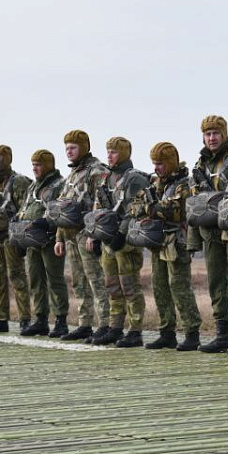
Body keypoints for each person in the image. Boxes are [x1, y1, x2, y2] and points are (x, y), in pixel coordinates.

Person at [190, 116, 228, 353]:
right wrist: (194, 239)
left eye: (216, 133)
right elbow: (195, 203)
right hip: (210, 230)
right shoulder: (200, 165)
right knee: (216, 282)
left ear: (224, 134)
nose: (211, 138)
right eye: (207, 134)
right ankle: (223, 334)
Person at [135, 142, 202, 351]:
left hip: (177, 242)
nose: (156, 168)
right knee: (160, 287)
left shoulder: (184, 184)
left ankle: (192, 333)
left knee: (179, 287)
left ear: (170, 163)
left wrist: (151, 208)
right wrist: (152, 208)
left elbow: (176, 210)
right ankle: (167, 332)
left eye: (160, 164)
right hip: (158, 243)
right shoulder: (155, 184)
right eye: (154, 163)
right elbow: (135, 206)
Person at [89, 137, 148, 347]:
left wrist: (121, 235)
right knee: (112, 287)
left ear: (123, 153)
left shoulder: (135, 179)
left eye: (114, 152)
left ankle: (135, 330)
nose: (109, 155)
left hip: (126, 242)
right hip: (108, 241)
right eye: (108, 151)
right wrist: (96, 235)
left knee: (130, 287)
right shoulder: (106, 179)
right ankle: (115, 327)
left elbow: (135, 209)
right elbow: (99, 207)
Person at [53, 130, 109, 340]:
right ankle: (84, 323)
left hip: (87, 235)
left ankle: (105, 324)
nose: (69, 151)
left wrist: (93, 234)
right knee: (79, 283)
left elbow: (101, 204)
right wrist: (59, 238)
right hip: (70, 236)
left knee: (96, 280)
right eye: (67, 148)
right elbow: (61, 209)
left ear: (84, 147)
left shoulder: (97, 171)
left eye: (73, 147)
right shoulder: (71, 176)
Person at [0, 145, 32, 333]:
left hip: (12, 236)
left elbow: (26, 208)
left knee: (17, 276)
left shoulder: (18, 182)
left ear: (8, 158)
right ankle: (1, 317)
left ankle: (24, 318)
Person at [19, 149, 70, 338]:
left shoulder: (60, 184)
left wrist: (47, 223)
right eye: (33, 165)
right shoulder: (33, 187)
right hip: (31, 239)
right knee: (35, 279)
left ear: (47, 165)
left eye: (38, 165)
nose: (34, 168)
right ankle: (40, 319)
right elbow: (24, 208)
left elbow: (62, 210)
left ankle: (61, 321)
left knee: (55, 279)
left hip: (50, 239)